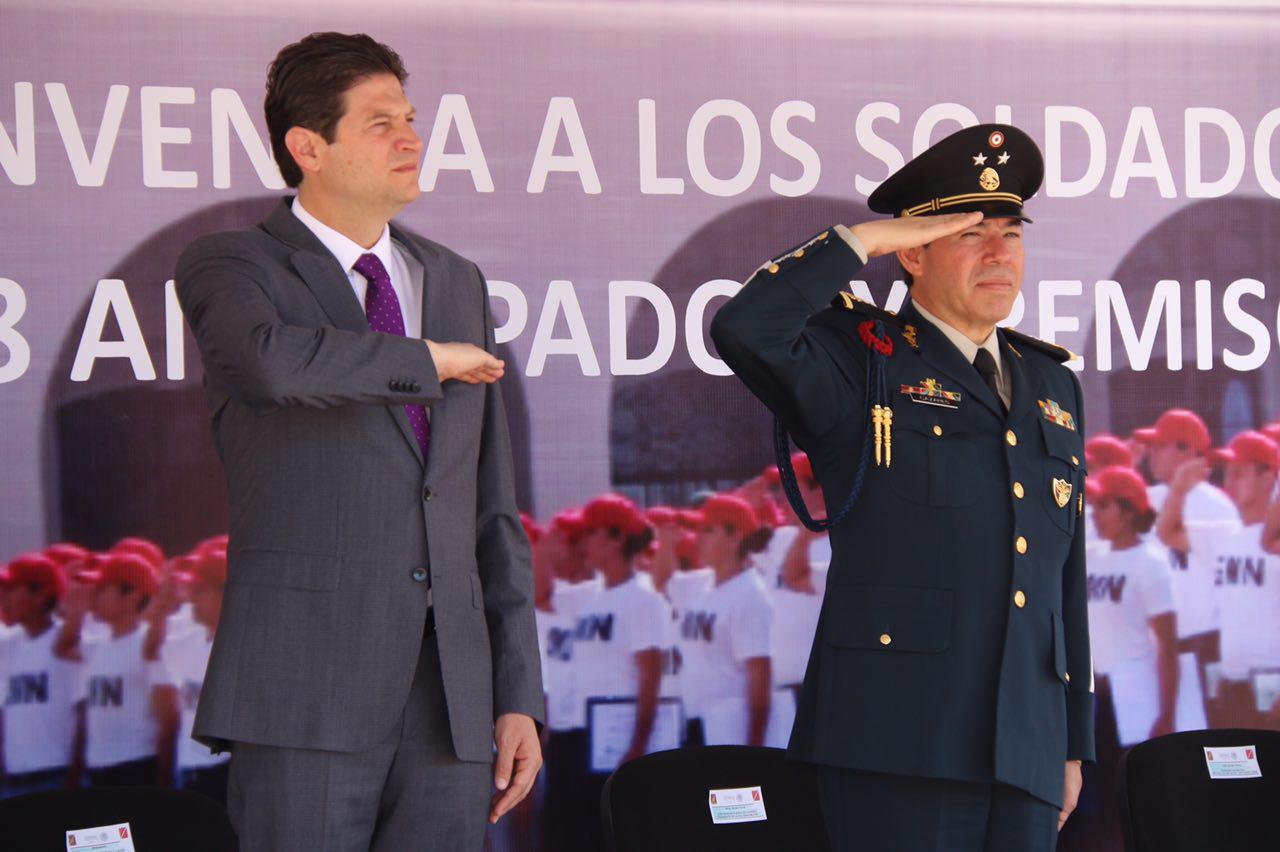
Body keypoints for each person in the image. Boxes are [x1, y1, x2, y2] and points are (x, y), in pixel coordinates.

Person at [174, 32, 542, 850]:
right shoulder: (234, 264)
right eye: (381, 124)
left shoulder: (454, 280)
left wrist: (517, 692)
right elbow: (272, 363)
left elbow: (489, 509)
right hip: (304, 693)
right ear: (308, 146)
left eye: (410, 118)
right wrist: (426, 360)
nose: (412, 139)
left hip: (451, 702)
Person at [711, 124, 1094, 851]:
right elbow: (746, 327)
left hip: (1028, 740)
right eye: (970, 234)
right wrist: (860, 242)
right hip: (897, 739)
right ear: (911, 253)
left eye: (1011, 235)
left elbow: (1061, 576)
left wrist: (1071, 737)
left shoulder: (1052, 383)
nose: (998, 254)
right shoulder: (859, 359)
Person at [1158, 430, 1280, 727]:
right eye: (1228, 473)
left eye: (1240, 473)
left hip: (1273, 679)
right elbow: (1168, 533)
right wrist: (1179, 490)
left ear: (1268, 479)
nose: (1230, 482)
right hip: (1232, 683)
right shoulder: (1224, 533)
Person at [1138, 408, 1237, 719]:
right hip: (1153, 656)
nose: (1151, 453)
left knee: (1204, 746)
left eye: (1159, 445)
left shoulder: (1216, 507)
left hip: (1202, 647)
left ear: (1186, 450)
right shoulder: (1148, 499)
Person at [57, 553, 180, 788]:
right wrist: (75, 610)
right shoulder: (97, 645)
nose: (94, 595)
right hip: (97, 772)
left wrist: (164, 792)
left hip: (135, 770)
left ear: (132, 595)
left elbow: (169, 721)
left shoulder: (150, 644)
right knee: (101, 827)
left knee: (135, 827)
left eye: (103, 588)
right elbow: (63, 647)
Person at [678, 495, 776, 747]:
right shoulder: (703, 588)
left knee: (732, 788)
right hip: (694, 722)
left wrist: (752, 751)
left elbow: (760, 679)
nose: (698, 538)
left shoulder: (750, 595)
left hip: (731, 731)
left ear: (736, 537)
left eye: (709, 530)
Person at [0, 554, 80, 797]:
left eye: (12, 589)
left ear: (41, 594)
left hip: (57, 777)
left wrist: (74, 778)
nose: (3, 597)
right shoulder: (6, 646)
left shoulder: (70, 644)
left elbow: (85, 718)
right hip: (12, 782)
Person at [161, 549, 230, 803]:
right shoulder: (187, 643)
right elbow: (147, 648)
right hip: (187, 774)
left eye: (201, 591)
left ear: (227, 592)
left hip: (224, 776)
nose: (192, 599)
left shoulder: (247, 652)